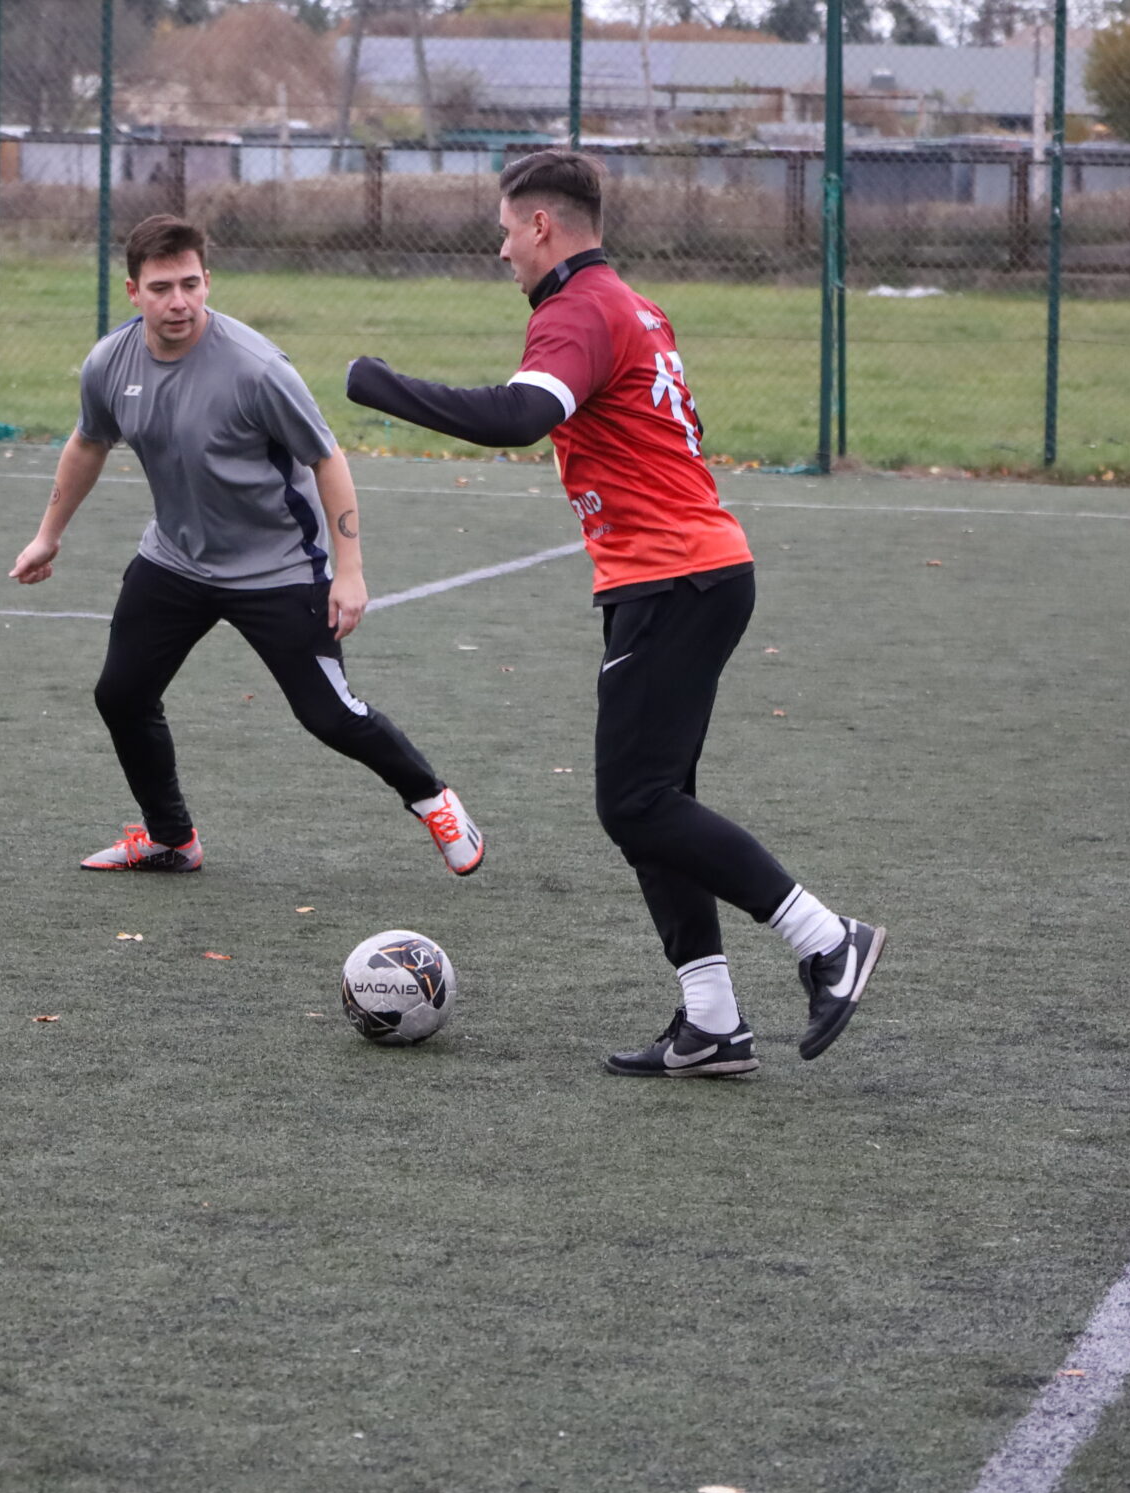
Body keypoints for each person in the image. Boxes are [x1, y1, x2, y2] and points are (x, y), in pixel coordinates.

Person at [345, 149, 883, 1077]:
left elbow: (518, 417)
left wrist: (379, 384)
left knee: (635, 803)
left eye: (506, 230)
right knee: (656, 802)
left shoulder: (580, 308)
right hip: (680, 575)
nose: (501, 249)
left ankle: (827, 940)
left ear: (541, 225)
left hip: (676, 578)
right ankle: (712, 1021)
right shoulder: (631, 304)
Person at [12, 214, 482, 879]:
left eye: (190, 284)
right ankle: (171, 839)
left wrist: (349, 572)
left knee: (330, 716)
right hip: (175, 560)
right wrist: (47, 536)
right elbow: (89, 442)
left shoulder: (257, 369)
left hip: (278, 567)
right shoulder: (109, 364)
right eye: (161, 288)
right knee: (121, 695)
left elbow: (327, 459)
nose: (179, 302)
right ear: (134, 291)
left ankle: (433, 798)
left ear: (208, 280)